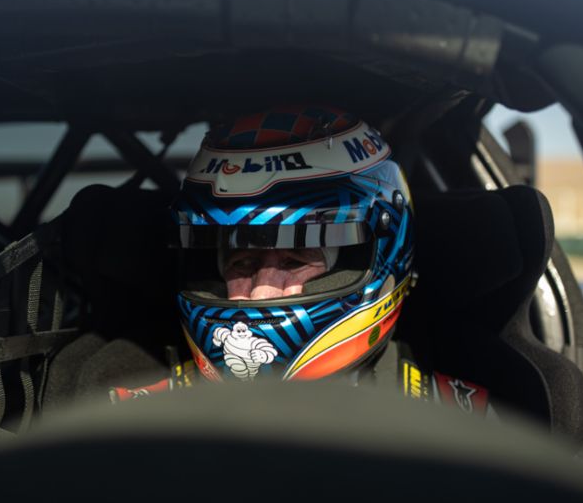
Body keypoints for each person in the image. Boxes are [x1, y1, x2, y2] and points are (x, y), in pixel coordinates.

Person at [111, 106, 495, 417]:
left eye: (296, 258)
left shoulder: (460, 423)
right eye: (241, 262)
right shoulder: (138, 426)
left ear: (383, 255)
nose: (261, 291)